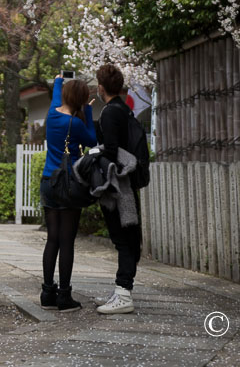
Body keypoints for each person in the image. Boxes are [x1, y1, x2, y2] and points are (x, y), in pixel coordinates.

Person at [39, 73, 97, 312]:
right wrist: (89, 112)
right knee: (67, 240)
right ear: (81, 100)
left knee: (52, 239)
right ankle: (64, 295)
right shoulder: (76, 123)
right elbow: (92, 140)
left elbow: (55, 92)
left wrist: (59, 79)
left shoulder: (52, 113)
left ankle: (47, 292)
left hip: (48, 182)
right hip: (69, 184)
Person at [95, 62, 141, 315]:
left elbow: (110, 150)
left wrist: (91, 153)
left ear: (101, 87)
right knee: (128, 239)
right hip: (126, 181)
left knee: (123, 239)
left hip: (117, 184)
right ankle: (122, 290)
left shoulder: (110, 112)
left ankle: (124, 293)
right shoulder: (124, 109)